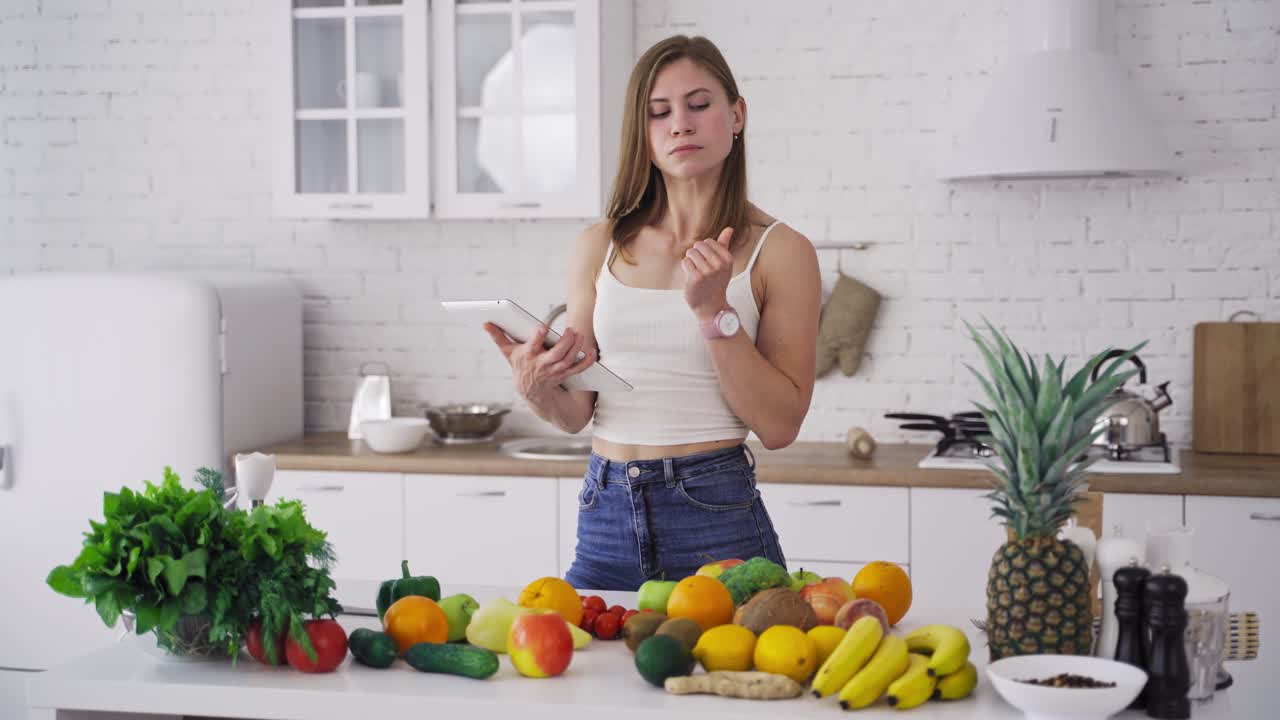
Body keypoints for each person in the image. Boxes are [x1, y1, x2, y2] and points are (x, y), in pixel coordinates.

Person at [484, 35, 821, 591]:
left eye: (699, 104)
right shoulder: (601, 244)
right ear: (641, 135)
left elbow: (780, 425)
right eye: (658, 113)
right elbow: (578, 413)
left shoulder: (781, 251)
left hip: (715, 513)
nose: (679, 125)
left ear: (736, 115)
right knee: (587, 675)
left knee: (738, 677)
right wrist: (538, 385)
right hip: (606, 509)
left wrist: (715, 314)